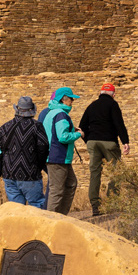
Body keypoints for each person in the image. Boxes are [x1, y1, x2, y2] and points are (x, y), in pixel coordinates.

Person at [78, 84, 130, 216]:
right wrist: (125, 141)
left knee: (95, 173)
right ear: (113, 94)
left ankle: (95, 206)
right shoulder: (113, 105)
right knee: (115, 171)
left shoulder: (92, 106)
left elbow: (81, 126)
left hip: (93, 142)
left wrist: (89, 140)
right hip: (109, 142)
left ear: (100, 93)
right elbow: (119, 124)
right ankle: (112, 202)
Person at [0, 97, 49, 209]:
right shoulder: (36, 126)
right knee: (37, 205)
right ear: (32, 110)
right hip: (30, 173)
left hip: (9, 173)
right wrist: (39, 166)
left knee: (16, 210)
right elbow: (43, 147)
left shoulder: (5, 127)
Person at [40, 87, 85, 215]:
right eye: (71, 99)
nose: (72, 102)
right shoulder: (61, 114)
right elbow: (63, 137)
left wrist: (72, 130)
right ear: (64, 100)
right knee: (57, 190)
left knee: (71, 184)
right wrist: (78, 134)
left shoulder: (51, 112)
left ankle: (61, 216)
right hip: (58, 157)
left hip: (56, 156)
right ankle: (52, 219)